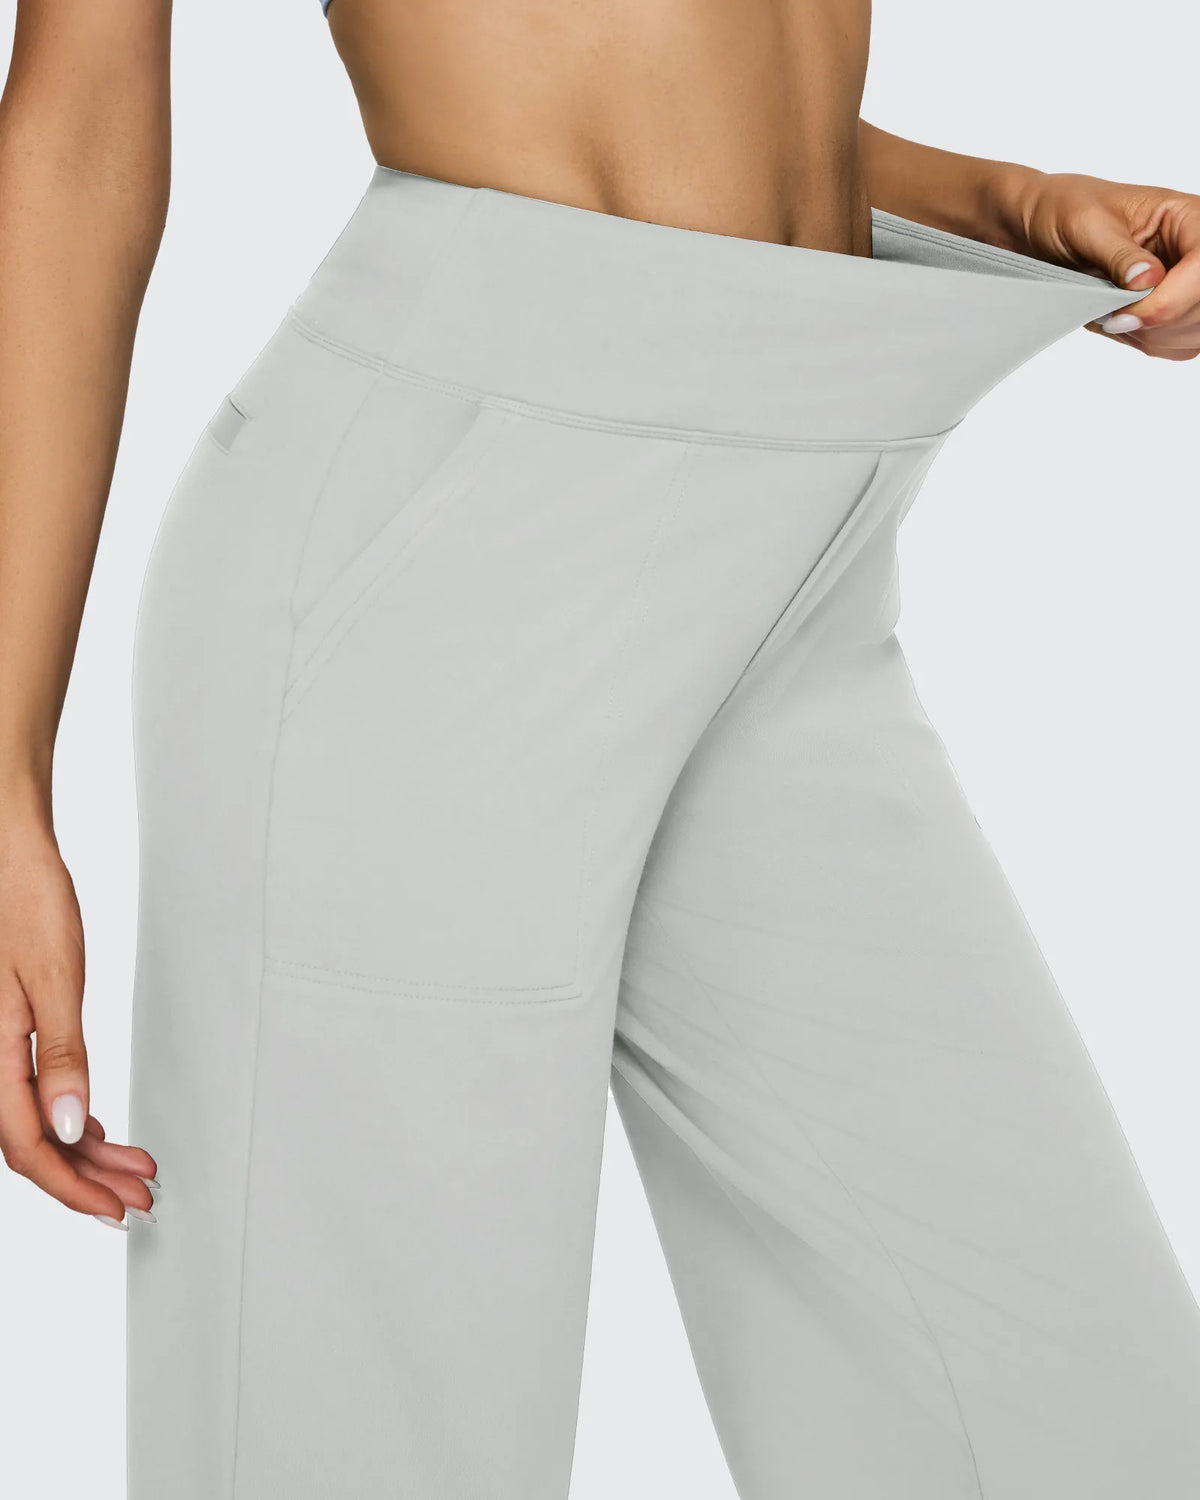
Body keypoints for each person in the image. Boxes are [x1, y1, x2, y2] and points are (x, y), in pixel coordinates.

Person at [1, 1, 1198, 1495]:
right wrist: (5, 779)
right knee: (358, 1447)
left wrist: (1013, 203)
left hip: (802, 546)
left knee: (1069, 1416)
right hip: (444, 564)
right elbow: (81, 113)